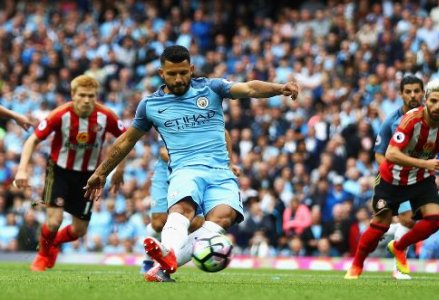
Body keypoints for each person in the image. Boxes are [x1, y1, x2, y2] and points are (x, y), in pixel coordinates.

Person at [84, 45, 299, 282]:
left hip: (220, 171)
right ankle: (167, 255)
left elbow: (248, 88)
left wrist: (280, 88)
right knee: (182, 210)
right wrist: (102, 172)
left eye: (183, 73)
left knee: (223, 218)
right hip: (186, 169)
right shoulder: (151, 105)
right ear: (161, 73)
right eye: (172, 73)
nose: (178, 78)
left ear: (191, 69)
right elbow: (127, 141)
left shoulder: (212, 87)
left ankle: (165, 265)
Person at [345, 78, 439, 279]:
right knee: (379, 226)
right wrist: (426, 164)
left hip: (420, 179)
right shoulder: (408, 120)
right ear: (427, 100)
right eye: (434, 101)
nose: (438, 106)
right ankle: (357, 265)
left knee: (437, 218)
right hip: (392, 179)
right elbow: (390, 154)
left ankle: (399, 247)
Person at [14, 75, 127, 271]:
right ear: (73, 95)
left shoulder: (106, 115)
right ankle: (42, 255)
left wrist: (120, 169)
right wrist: (22, 170)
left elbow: (126, 138)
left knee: (79, 231)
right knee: (54, 220)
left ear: (96, 96)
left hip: (88, 176)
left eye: (91, 96)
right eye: (82, 95)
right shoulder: (60, 114)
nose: (86, 100)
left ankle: (53, 243)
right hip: (59, 171)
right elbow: (33, 140)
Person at [140, 130, 240, 274]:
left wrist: (229, 164)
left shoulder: (206, 113)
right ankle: (148, 260)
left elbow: (223, 133)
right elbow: (163, 151)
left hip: (198, 172)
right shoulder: (170, 115)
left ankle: (164, 264)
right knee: (158, 223)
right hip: (167, 170)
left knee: (196, 223)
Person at [373, 75, 424, 280]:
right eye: (408, 91)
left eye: (416, 91)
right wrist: (392, 173)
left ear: (423, 93)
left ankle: (386, 230)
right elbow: (379, 152)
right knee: (408, 219)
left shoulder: (433, 117)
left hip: (422, 177)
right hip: (398, 178)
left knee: (422, 220)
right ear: (402, 94)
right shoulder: (392, 121)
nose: (413, 95)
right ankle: (399, 269)